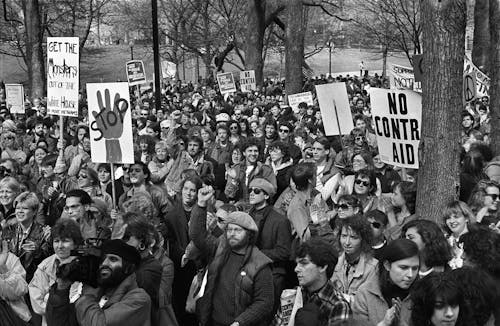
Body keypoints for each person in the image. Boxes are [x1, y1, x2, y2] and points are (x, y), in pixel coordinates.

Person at [190, 185, 275, 326]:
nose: (232, 234)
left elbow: (265, 302)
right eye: (229, 229)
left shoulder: (260, 263)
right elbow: (197, 235)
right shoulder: (220, 248)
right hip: (211, 321)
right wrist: (201, 204)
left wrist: (240, 322)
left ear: (249, 235)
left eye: (237, 230)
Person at [46, 239, 151, 326]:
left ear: (128, 268)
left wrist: (88, 296)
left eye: (113, 259)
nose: (104, 264)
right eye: (103, 259)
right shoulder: (96, 293)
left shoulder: (139, 299)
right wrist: (61, 289)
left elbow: (100, 323)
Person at [352, 239, 420, 326]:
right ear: (387, 265)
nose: (410, 275)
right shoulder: (365, 293)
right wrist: (384, 324)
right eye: (403, 267)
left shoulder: (421, 293)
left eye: (415, 268)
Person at [28, 218, 84, 326]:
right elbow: (36, 296)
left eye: (65, 241)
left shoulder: (84, 265)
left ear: (75, 244)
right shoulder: (45, 265)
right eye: (56, 241)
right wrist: (53, 310)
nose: (60, 246)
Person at [247, 177, 292, 308]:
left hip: (272, 275)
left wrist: (256, 254)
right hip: (249, 273)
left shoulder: (280, 220)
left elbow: (284, 252)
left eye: (256, 191)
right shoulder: (247, 216)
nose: (251, 193)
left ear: (266, 195)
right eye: (250, 190)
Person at [293, 237, 352, 326]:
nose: (296, 269)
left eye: (304, 263)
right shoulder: (294, 294)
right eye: (297, 264)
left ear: (323, 267)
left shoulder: (338, 305)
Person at [3, 191, 51, 282]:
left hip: (34, 282)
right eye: (17, 208)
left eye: (25, 208)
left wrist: (37, 252)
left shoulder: (44, 232)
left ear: (34, 212)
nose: (20, 211)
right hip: (11, 281)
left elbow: (48, 261)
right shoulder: (8, 230)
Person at [123, 218, 163, 326]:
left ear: (142, 242)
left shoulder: (149, 270)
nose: (123, 243)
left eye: (127, 237)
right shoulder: (132, 263)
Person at [331, 214, 378, 303]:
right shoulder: (334, 261)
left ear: (363, 240)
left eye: (353, 237)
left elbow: (367, 301)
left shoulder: (373, 267)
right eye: (344, 236)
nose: (347, 242)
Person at [441, 201, 476, 269]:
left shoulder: (476, 240)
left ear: (466, 218)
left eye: (456, 217)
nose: (452, 221)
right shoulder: (444, 241)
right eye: (448, 218)